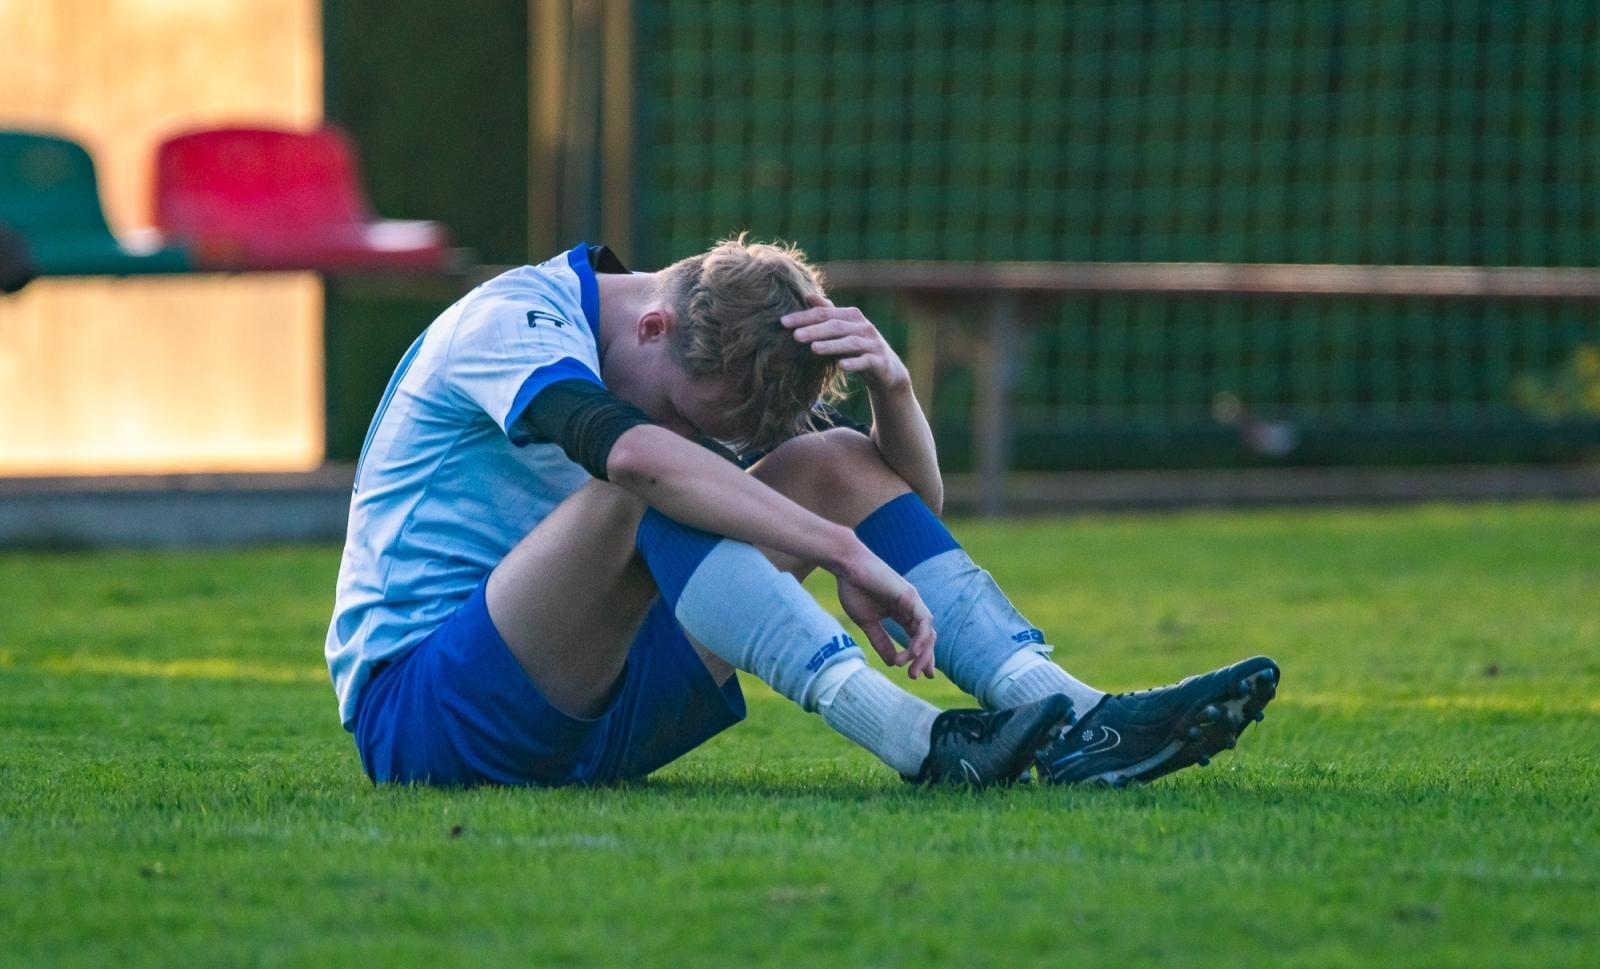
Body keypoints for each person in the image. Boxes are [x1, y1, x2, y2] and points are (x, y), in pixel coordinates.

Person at [326, 236, 1279, 790]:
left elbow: (901, 508)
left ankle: (1074, 717)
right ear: (651, 325)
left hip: (598, 710)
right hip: (427, 714)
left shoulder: (690, 340)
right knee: (647, 482)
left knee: (824, 460)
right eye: (687, 411)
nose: (692, 432)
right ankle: (918, 740)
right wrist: (831, 552)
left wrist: (894, 391)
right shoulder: (510, 322)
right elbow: (637, 459)